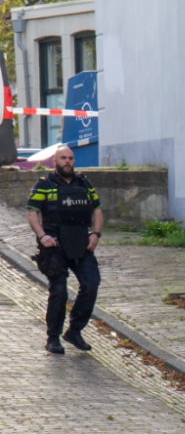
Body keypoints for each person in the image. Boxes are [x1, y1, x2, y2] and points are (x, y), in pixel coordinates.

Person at [27, 145, 103, 354]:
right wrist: (42, 237)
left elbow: (97, 210)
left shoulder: (84, 184)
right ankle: (53, 337)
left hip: (81, 243)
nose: (67, 161)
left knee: (91, 284)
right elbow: (32, 212)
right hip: (55, 246)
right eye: (63, 158)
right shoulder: (44, 185)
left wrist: (95, 234)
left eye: (70, 158)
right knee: (59, 290)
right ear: (55, 161)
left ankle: (75, 330)